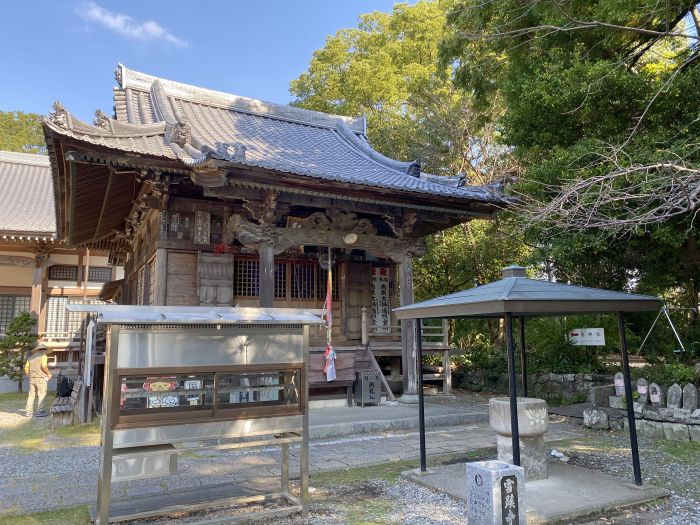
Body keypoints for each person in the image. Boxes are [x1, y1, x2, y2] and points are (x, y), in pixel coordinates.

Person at [22, 343, 52, 417]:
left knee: (31, 395)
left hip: (32, 378)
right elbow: (44, 366)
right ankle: (40, 411)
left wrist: (29, 376)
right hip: (40, 378)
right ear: (44, 350)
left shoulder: (30, 358)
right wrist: (49, 373)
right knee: (42, 395)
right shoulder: (43, 356)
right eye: (45, 350)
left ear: (38, 350)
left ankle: (28, 412)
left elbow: (26, 368)